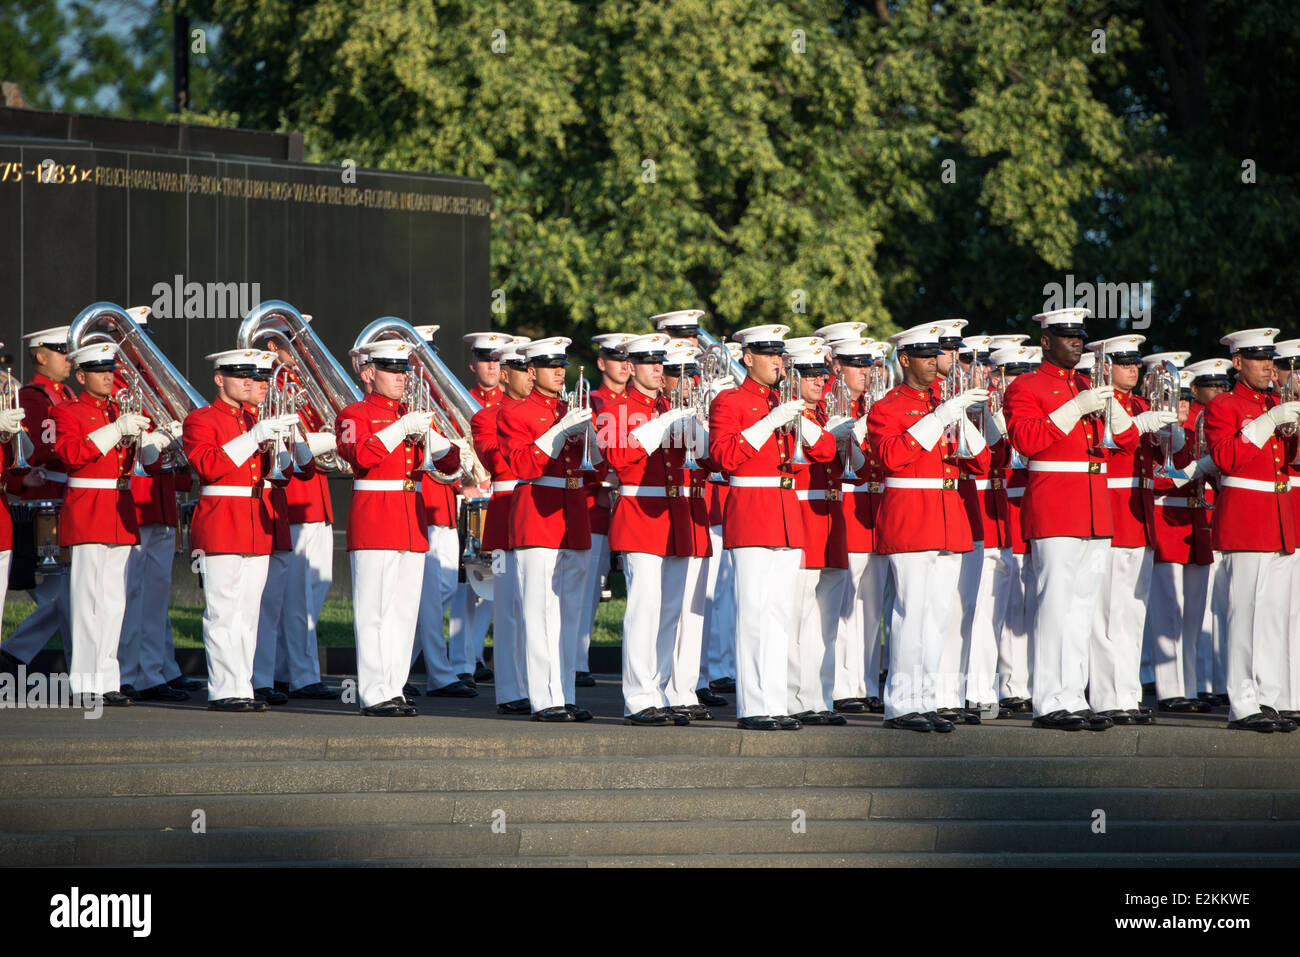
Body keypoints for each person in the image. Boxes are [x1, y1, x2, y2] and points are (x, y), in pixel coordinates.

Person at [1003, 307, 1139, 732]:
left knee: (1082, 609)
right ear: (1046, 341)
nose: (1078, 342)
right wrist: (1074, 408)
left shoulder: (1088, 384)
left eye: (1080, 336)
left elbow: (1129, 442)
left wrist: (1109, 405)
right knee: (1055, 606)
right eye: (1067, 336)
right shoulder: (1027, 386)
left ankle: (1073, 695)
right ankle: (1048, 700)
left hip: (1095, 508)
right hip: (1056, 506)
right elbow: (1026, 440)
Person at [708, 324, 837, 731]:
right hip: (751, 510)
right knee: (754, 613)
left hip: (785, 512)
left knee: (780, 614)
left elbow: (826, 452)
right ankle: (753, 705)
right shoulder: (730, 400)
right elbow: (723, 456)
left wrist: (800, 419)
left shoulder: (785, 400)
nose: (778, 362)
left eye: (780, 356)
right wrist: (768, 422)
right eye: (769, 356)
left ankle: (776, 702)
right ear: (748, 359)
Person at [869, 323, 990, 732]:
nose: (933, 363)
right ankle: (902, 705)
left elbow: (983, 462)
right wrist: (939, 416)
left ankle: (926, 698)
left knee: (936, 616)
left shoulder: (945, 402)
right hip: (910, 518)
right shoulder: (887, 406)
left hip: (947, 517)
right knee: (911, 613)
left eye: (934, 355)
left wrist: (959, 415)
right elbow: (890, 456)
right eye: (924, 356)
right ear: (905, 359)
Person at [336, 339, 455, 716]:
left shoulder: (412, 415)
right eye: (391, 369)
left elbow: (449, 465)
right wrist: (401, 427)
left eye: (404, 369)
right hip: (375, 517)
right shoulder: (353, 414)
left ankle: (394, 687)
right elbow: (361, 456)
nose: (401, 377)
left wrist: (437, 440)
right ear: (370, 373)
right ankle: (373, 692)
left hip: (411, 518)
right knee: (374, 610)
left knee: (404, 612)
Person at [182, 349, 297, 712]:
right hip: (221, 519)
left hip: (254, 520)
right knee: (222, 612)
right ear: (219, 379)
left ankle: (242, 686)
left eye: (253, 376)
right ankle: (223, 688)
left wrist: (289, 449)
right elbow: (207, 465)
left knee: (248, 614)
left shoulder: (255, 420)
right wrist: (255, 436)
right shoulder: (201, 419)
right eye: (239, 376)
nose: (249, 382)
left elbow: (278, 477)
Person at [51, 342, 161, 705]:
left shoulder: (118, 409)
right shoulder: (67, 411)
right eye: (99, 371)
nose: (107, 377)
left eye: (110, 370)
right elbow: (70, 454)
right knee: (87, 599)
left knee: (114, 600)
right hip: (88, 506)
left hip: (119, 507)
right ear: (81, 376)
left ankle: (108, 678)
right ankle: (85, 682)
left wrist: (153, 443)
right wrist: (116, 429)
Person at [597, 333, 698, 725]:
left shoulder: (673, 404)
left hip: (675, 511)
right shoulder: (612, 406)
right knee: (644, 608)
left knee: (670, 610)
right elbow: (619, 458)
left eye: (661, 363)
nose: (658, 369)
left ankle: (659, 689)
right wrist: (659, 425)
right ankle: (638, 696)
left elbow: (701, 460)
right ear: (632, 366)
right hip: (640, 508)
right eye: (650, 362)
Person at [497, 337, 598, 722]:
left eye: (562, 364)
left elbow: (597, 467)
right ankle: (544, 699)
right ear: (532, 371)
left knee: (570, 614)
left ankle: (566, 693)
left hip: (574, 513)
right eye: (550, 365)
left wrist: (595, 438)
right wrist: (557, 434)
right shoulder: (515, 412)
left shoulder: (570, 408)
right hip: (538, 515)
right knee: (540, 613)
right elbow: (522, 465)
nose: (559, 370)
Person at [1203, 328, 1298, 732]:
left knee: (1275, 615)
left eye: (1270, 360)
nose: (1267, 368)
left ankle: (1270, 697)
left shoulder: (1279, 402)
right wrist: (1268, 421)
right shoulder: (1223, 405)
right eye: (1258, 359)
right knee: (1243, 615)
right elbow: (1226, 458)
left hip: (1282, 518)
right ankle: (1243, 703)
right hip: (1245, 519)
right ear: (1237, 363)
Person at [1082, 335, 1178, 725]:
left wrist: (1174, 435)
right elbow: (1111, 447)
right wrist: (1142, 424)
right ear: (1107, 367)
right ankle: (1106, 697)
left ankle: (1128, 693)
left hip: (1138, 513)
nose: (1133, 369)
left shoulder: (1141, 403)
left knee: (1131, 612)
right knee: (1105, 612)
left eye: (1135, 362)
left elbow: (1155, 459)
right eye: (1124, 362)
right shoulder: (1097, 401)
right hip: (1110, 509)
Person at [787, 343, 856, 725]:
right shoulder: (789, 416)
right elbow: (823, 450)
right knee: (798, 619)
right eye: (809, 374)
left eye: (821, 374)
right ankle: (796, 698)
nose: (819, 381)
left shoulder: (825, 412)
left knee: (825, 622)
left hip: (831, 518)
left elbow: (854, 468)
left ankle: (820, 697)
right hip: (801, 516)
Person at [0, 327, 76, 672]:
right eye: (62, 352)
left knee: (66, 594)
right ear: (41, 356)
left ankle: (14, 652)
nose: (69, 360)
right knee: (64, 594)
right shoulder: (33, 397)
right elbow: (37, 450)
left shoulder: (64, 393)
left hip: (62, 494)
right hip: (43, 497)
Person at [471, 338, 533, 714]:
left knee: (536, 606)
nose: (529, 376)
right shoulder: (485, 416)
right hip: (507, 508)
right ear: (505, 374)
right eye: (521, 370)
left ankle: (536, 684)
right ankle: (510, 690)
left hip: (536, 510)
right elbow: (498, 459)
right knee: (508, 607)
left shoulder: (543, 411)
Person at [831, 338, 890, 714]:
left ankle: (867, 683)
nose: (865, 373)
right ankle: (841, 684)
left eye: (868, 366)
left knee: (871, 608)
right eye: (856, 366)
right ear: (838, 368)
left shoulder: (878, 406)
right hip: (848, 506)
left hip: (877, 509)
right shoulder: (829, 408)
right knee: (844, 604)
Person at [577, 333, 634, 686]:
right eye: (616, 359)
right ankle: (578, 659)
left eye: (629, 359)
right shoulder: (593, 401)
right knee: (589, 585)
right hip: (598, 501)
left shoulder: (640, 403)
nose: (625, 365)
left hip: (630, 502)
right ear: (601, 363)